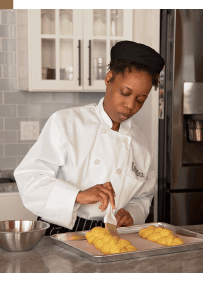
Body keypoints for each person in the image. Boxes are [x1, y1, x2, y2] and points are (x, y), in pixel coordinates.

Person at [14, 40, 165, 236]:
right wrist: (78, 195)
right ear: (109, 78)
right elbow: (30, 179)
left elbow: (143, 197)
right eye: (125, 93)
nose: (130, 105)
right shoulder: (66, 123)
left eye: (140, 100)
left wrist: (132, 214)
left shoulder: (142, 145)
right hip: (61, 231)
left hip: (111, 235)